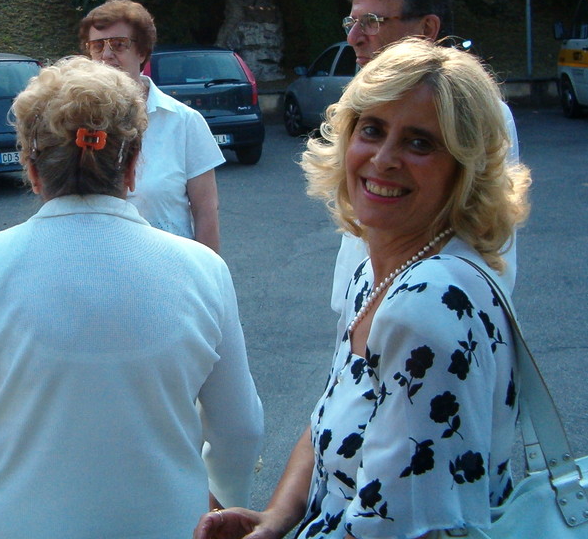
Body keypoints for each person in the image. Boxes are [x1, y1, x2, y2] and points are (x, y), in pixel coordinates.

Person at [0, 56, 263, 539]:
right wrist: (227, 499)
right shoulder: (202, 269)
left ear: (31, 169)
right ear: (134, 163)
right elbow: (239, 427)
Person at [194, 38, 531, 539]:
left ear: (465, 167)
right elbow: (333, 412)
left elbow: (397, 528)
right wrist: (279, 517)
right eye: (372, 130)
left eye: (420, 142)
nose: (385, 158)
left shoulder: (423, 307)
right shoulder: (382, 272)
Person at [333, 0, 519, 311]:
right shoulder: (367, 100)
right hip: (367, 305)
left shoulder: (474, 112)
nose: (353, 37)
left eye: (371, 22)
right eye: (351, 22)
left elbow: (487, 230)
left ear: (427, 28)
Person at [79, 0, 225, 251]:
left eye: (119, 44)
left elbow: (206, 212)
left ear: (143, 52)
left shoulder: (184, 122)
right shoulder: (76, 122)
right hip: (100, 272)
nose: (106, 55)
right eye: (97, 46)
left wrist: (210, 280)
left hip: (171, 271)